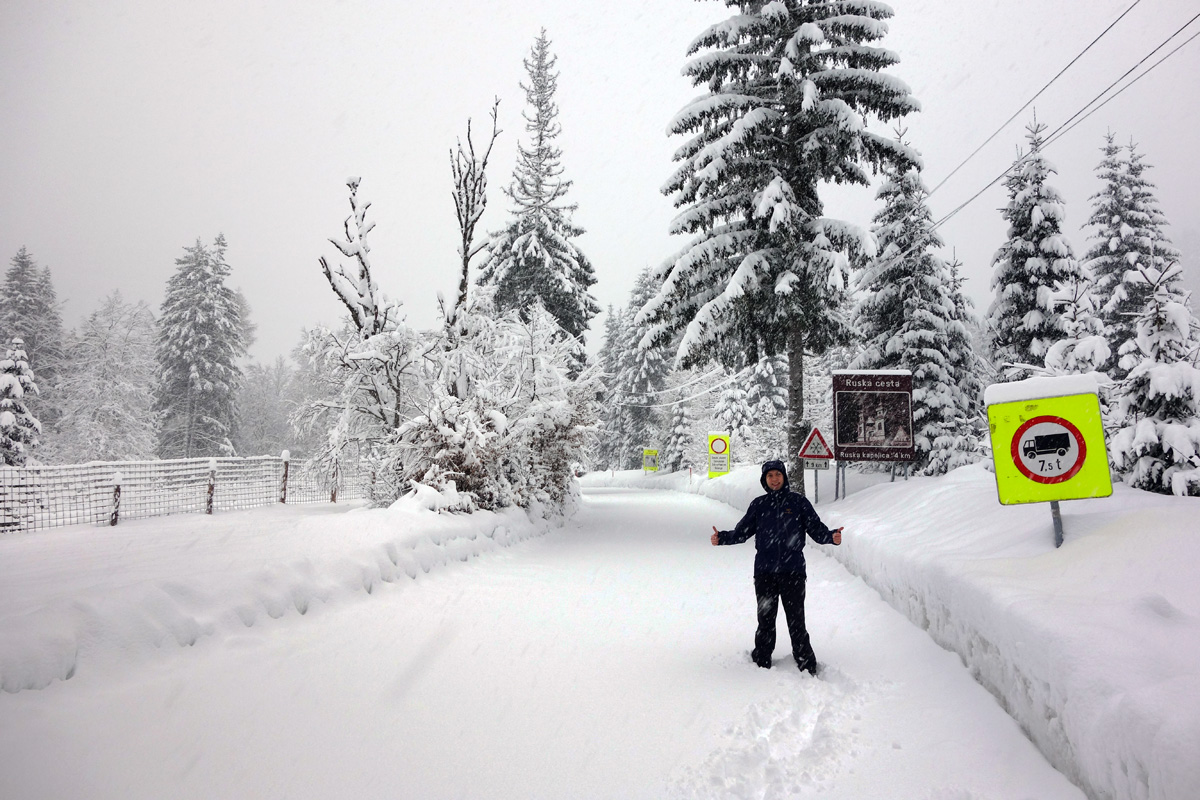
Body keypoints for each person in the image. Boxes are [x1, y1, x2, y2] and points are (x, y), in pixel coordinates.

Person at [710, 459, 843, 674]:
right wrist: (722, 538)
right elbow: (742, 532)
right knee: (765, 620)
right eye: (770, 476)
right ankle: (762, 660)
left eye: (778, 475)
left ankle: (806, 663)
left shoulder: (798, 503)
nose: (774, 479)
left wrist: (831, 536)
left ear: (784, 477)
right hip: (765, 573)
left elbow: (817, 530)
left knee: (796, 621)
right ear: (764, 480)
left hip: (793, 572)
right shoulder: (759, 505)